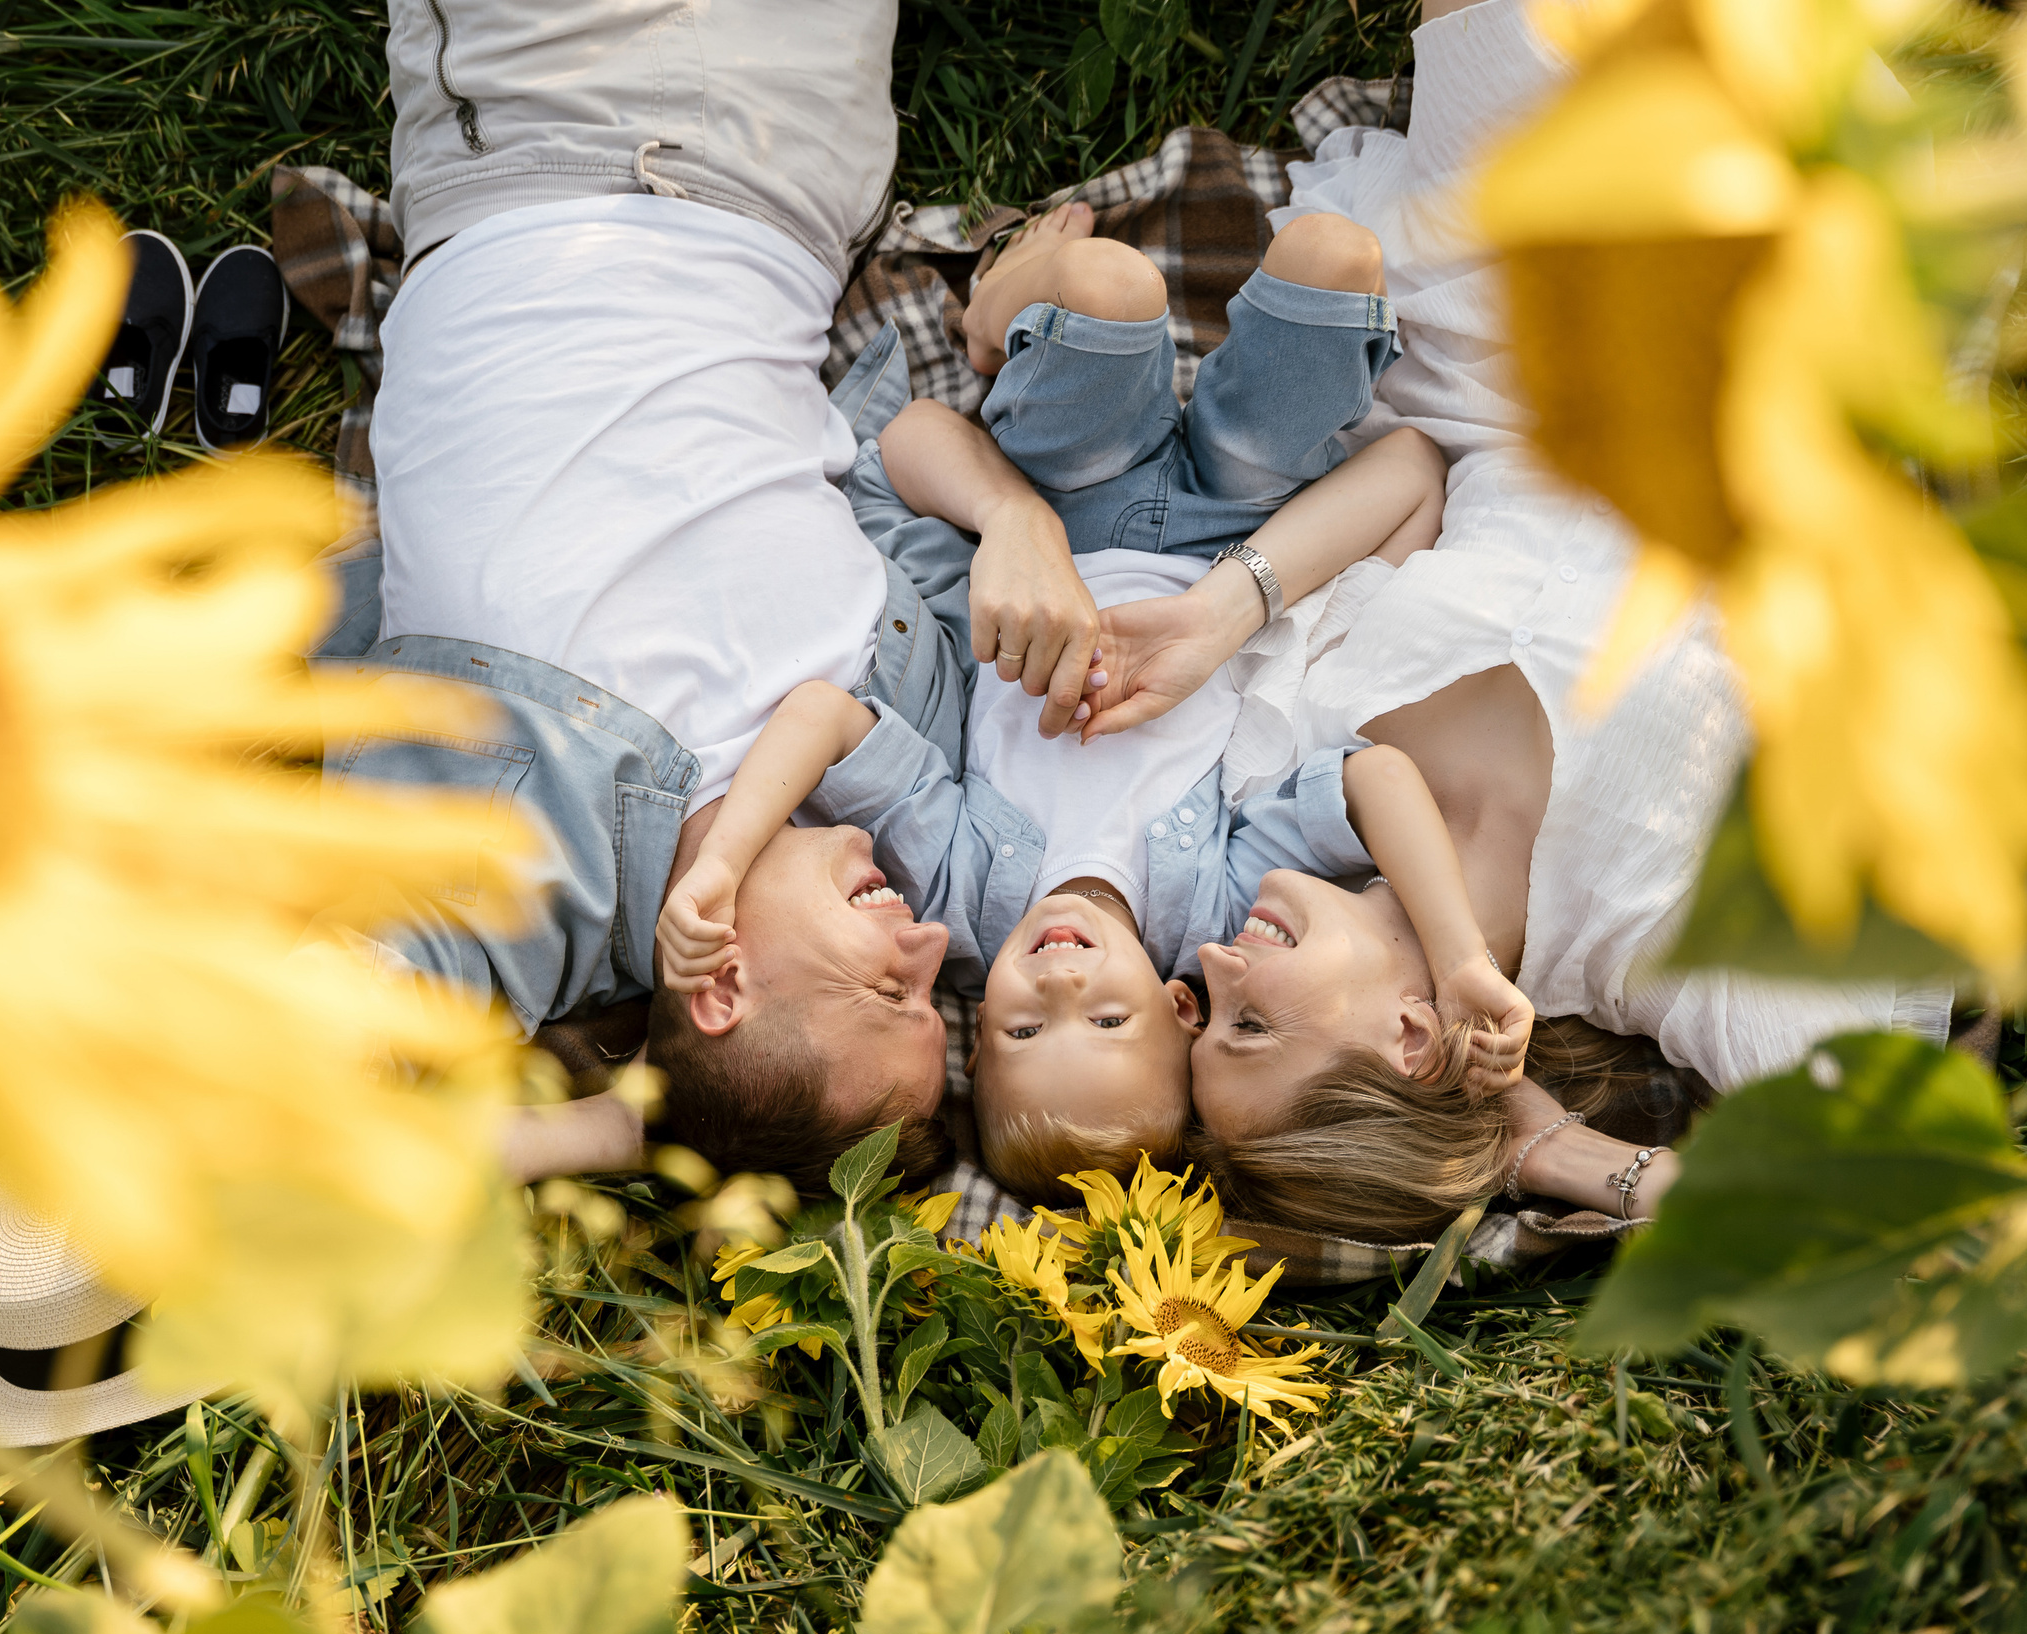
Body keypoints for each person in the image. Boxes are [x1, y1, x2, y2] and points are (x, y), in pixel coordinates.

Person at [1172, 0, 1952, 1242]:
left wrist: (1225, 607)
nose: (1212, 970)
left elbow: (1414, 474)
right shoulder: (1645, 931)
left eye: (1209, 1012)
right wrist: (1551, 1146)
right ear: (1413, 1039)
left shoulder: (1277, 773)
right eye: (1248, 1022)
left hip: (1497, 375)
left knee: (1514, 29)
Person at [336, 0, 1106, 1192]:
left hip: (544, 109)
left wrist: (646, 1129)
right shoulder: (902, 733)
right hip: (788, 162)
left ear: (727, 988)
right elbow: (899, 454)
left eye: (886, 985)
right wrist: (1018, 517)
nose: (933, 941)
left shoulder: (512, 887)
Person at [654, 426, 1522, 1207]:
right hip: (1228, 529)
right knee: (1324, 282)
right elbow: (1372, 779)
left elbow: (824, 713)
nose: (1063, 988)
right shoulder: (1220, 919)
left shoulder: (951, 894)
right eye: (1109, 1022)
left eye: (1026, 1029)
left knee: (1099, 297)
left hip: (1061, 496)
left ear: (979, 1043)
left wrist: (720, 868)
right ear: (1180, 1006)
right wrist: (1458, 962)